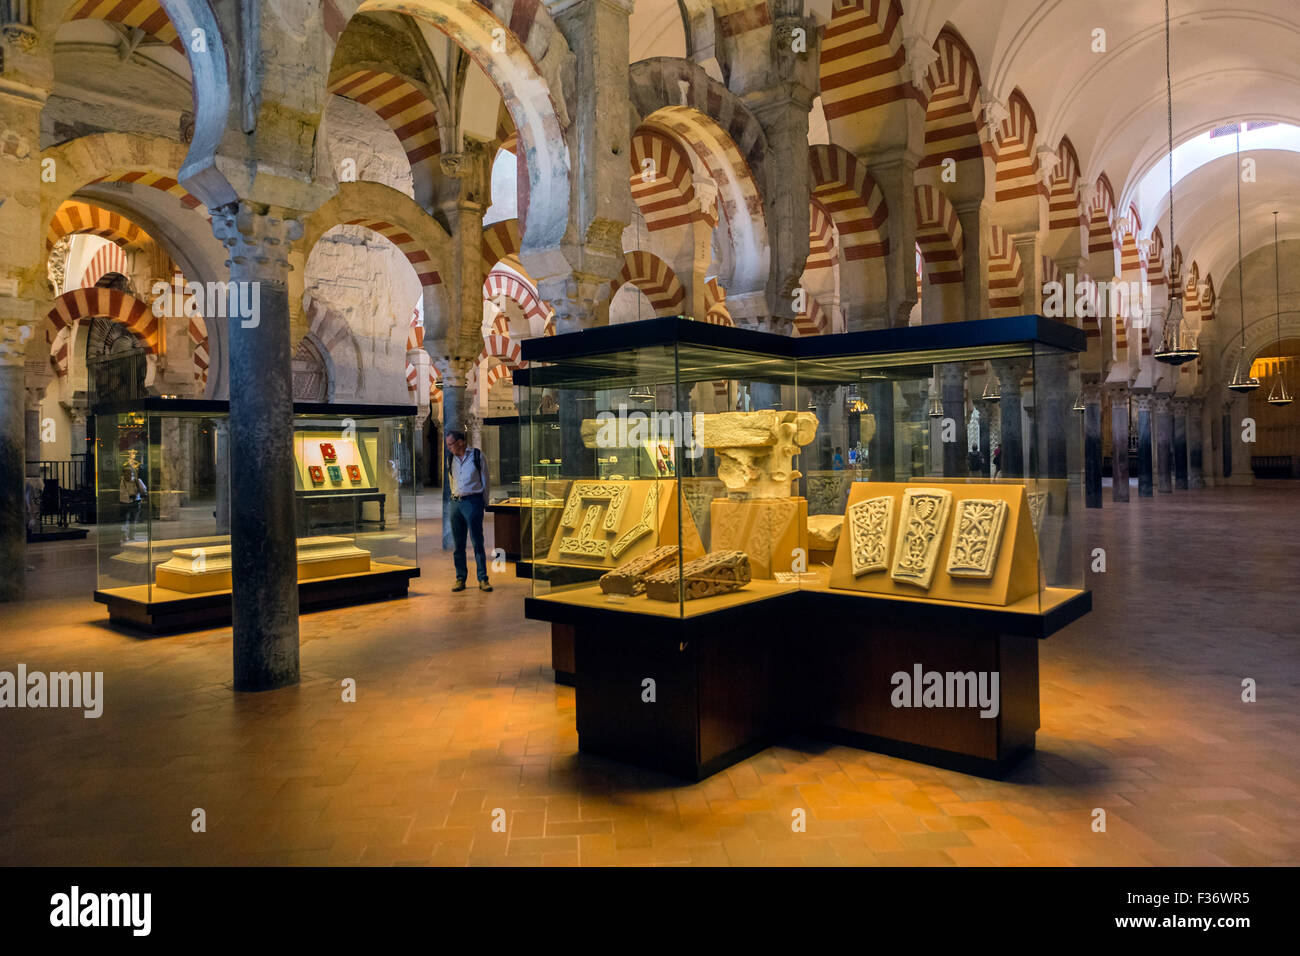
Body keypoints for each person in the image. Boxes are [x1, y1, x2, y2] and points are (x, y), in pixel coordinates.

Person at [445, 429, 492, 592]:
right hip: (456, 503)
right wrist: (453, 498)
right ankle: (460, 578)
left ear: (460, 442)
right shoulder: (450, 458)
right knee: (458, 544)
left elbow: (485, 480)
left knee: (477, 542)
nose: (449, 448)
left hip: (473, 502)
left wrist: (484, 503)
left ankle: (483, 578)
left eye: (451, 444)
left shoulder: (477, 456)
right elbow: (451, 480)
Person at [119, 464, 146, 543]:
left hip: (134, 503)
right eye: (126, 473)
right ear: (123, 474)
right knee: (123, 520)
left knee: (133, 520)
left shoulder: (137, 481)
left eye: (130, 473)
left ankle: (131, 535)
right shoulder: (120, 481)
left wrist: (139, 492)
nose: (129, 475)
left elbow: (144, 490)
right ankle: (124, 535)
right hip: (123, 503)